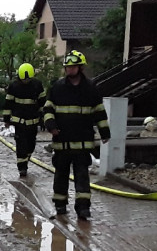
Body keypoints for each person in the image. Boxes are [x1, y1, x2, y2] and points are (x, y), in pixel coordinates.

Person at [43, 50, 110, 220]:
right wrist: (50, 125)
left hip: (82, 142)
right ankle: (60, 204)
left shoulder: (90, 89)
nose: (69, 70)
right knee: (60, 176)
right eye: (67, 67)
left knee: (82, 176)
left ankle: (83, 208)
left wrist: (105, 132)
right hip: (62, 141)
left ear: (80, 67)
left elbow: (99, 112)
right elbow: (48, 109)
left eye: (72, 67)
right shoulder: (57, 87)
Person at [3, 62, 46, 177]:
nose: (25, 82)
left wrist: (43, 118)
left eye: (27, 80)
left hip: (33, 122)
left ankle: (26, 159)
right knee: (21, 145)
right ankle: (22, 168)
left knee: (31, 145)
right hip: (19, 122)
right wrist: (6, 119)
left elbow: (43, 103)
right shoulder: (14, 86)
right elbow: (8, 104)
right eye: (23, 80)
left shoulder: (37, 85)